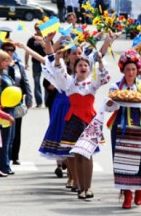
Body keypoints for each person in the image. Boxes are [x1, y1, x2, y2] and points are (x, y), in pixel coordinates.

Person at [105, 49, 141, 209]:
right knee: (120, 162)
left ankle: (138, 189)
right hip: (120, 127)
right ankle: (126, 194)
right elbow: (109, 106)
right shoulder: (115, 87)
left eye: (133, 69)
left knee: (138, 161)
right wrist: (111, 103)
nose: (130, 72)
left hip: (137, 127)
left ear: (137, 70)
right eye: (127, 69)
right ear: (122, 70)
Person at [53, 49, 110, 199]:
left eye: (86, 65)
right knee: (77, 155)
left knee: (87, 154)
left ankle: (88, 188)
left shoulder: (92, 83)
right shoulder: (70, 83)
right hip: (73, 121)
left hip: (88, 121)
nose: (83, 67)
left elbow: (105, 78)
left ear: (89, 68)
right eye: (80, 65)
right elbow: (59, 77)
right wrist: (58, 60)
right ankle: (80, 187)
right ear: (75, 68)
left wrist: (100, 62)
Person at [1, 41, 33, 166]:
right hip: (3, 101)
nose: (9, 53)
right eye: (6, 50)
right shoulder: (0, 65)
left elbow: (25, 81)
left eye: (12, 50)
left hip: (17, 100)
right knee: (5, 129)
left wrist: (29, 98)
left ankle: (15, 156)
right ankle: (5, 156)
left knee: (16, 129)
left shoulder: (18, 65)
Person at [0, 50, 16, 175]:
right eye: (5, 60)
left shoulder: (5, 73)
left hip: (10, 108)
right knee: (4, 140)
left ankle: (5, 164)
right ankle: (2, 166)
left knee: (9, 139)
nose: (7, 62)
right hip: (3, 109)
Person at [25, 25, 46, 108]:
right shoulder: (31, 40)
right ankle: (39, 101)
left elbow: (52, 49)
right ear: (35, 29)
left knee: (48, 82)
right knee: (37, 82)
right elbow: (27, 51)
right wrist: (26, 63)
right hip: (36, 63)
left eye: (40, 28)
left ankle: (48, 101)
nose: (39, 30)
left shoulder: (46, 38)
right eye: (37, 29)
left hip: (46, 63)